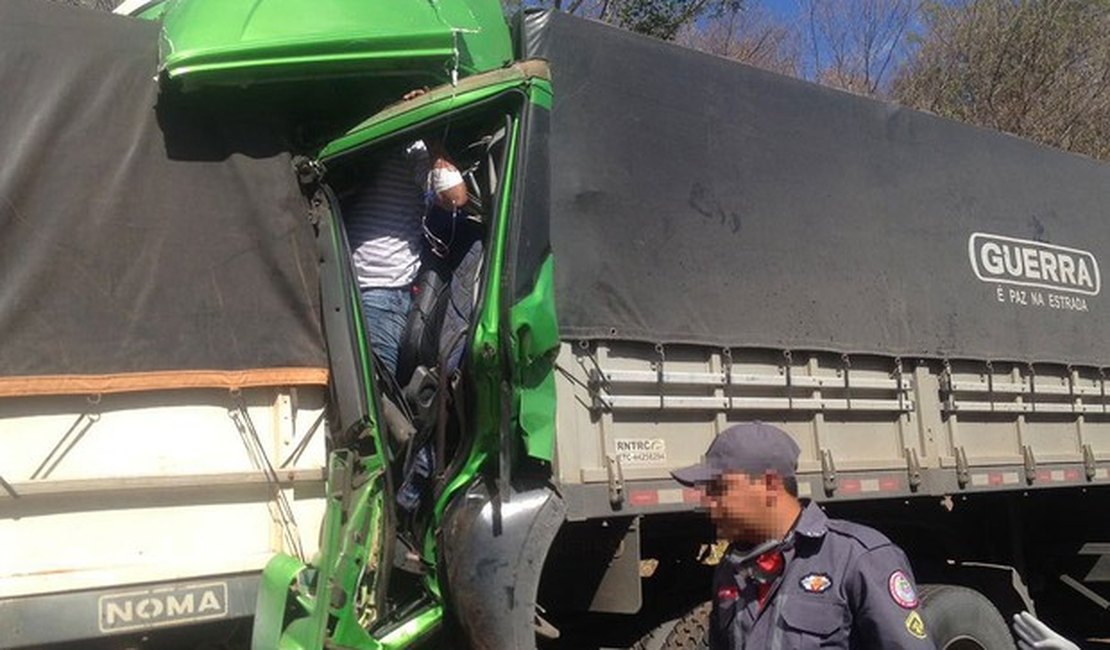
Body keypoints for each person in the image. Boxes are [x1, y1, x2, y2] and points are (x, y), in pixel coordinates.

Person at [671, 422, 936, 649]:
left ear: (770, 485)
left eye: (719, 488)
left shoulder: (857, 558)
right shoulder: (731, 571)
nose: (708, 502)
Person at [342, 89, 467, 377]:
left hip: (381, 294)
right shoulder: (355, 141)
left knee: (374, 390)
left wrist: (429, 133)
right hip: (338, 288)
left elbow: (455, 197)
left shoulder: (414, 149)